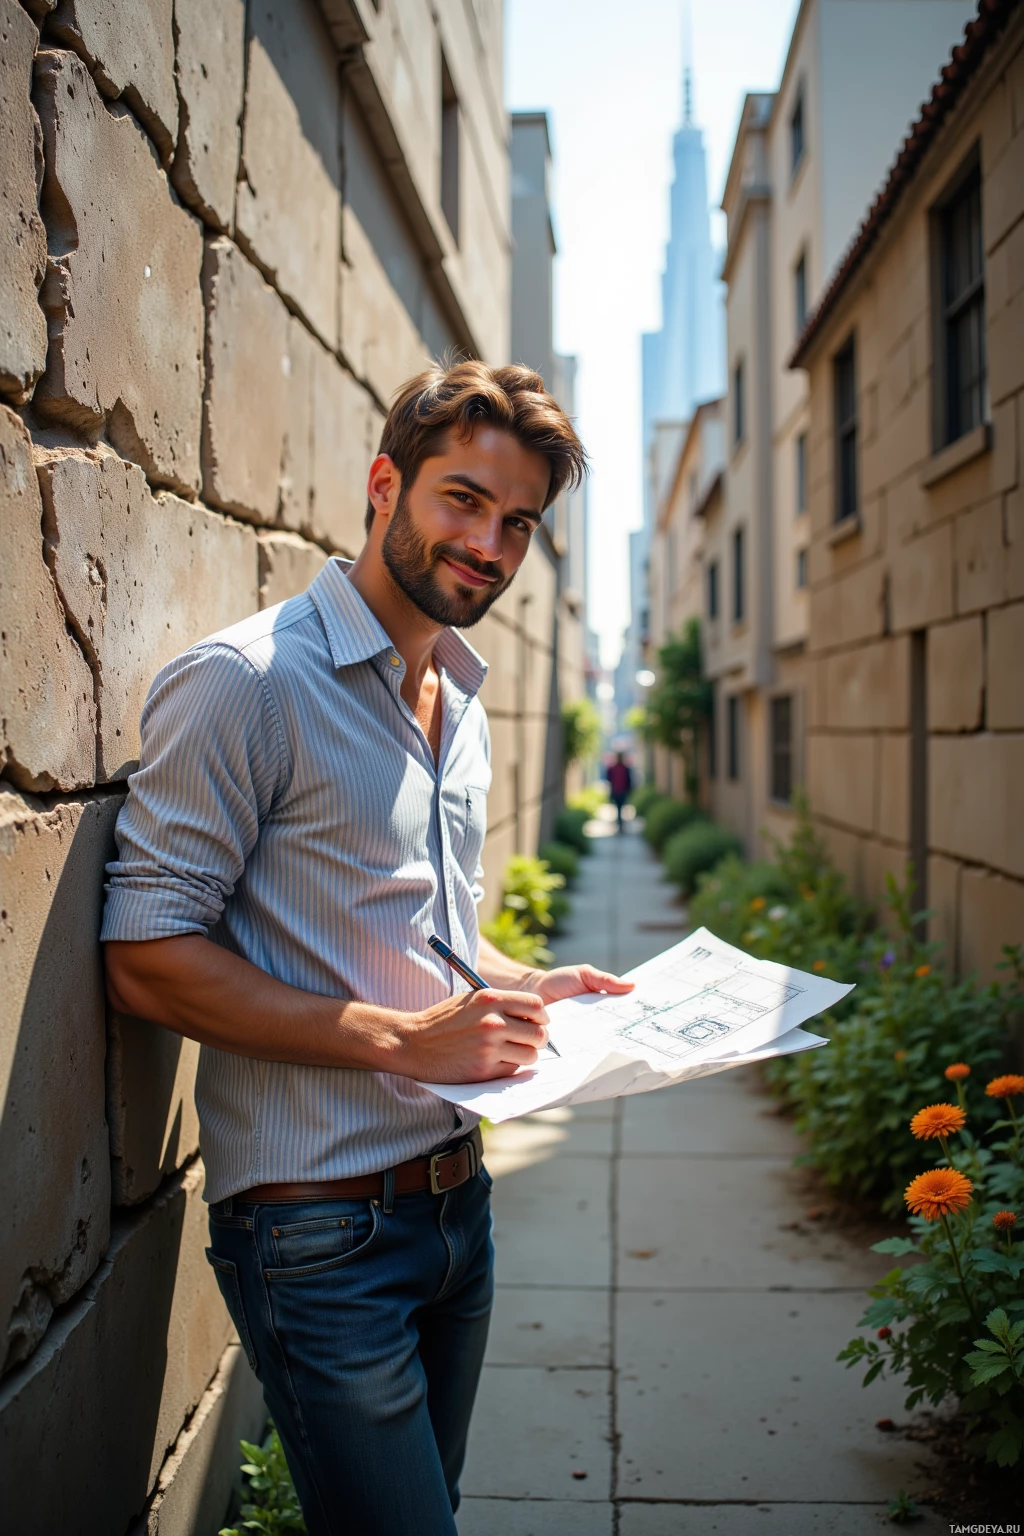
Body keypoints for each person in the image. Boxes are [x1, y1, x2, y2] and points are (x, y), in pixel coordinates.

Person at [101, 361, 634, 1536]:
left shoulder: (460, 695)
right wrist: (405, 1037)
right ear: (382, 484)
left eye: (518, 523)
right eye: (462, 500)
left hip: (456, 1216)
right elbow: (143, 955)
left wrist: (517, 981)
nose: (488, 543)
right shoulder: (248, 684)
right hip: (318, 1232)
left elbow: (423, 933)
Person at [605, 751, 634, 832]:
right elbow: (629, 781)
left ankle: (619, 821)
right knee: (620, 807)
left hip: (616, 791)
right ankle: (620, 822)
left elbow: (609, 779)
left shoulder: (613, 768)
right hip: (622, 791)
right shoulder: (625, 768)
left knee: (618, 808)